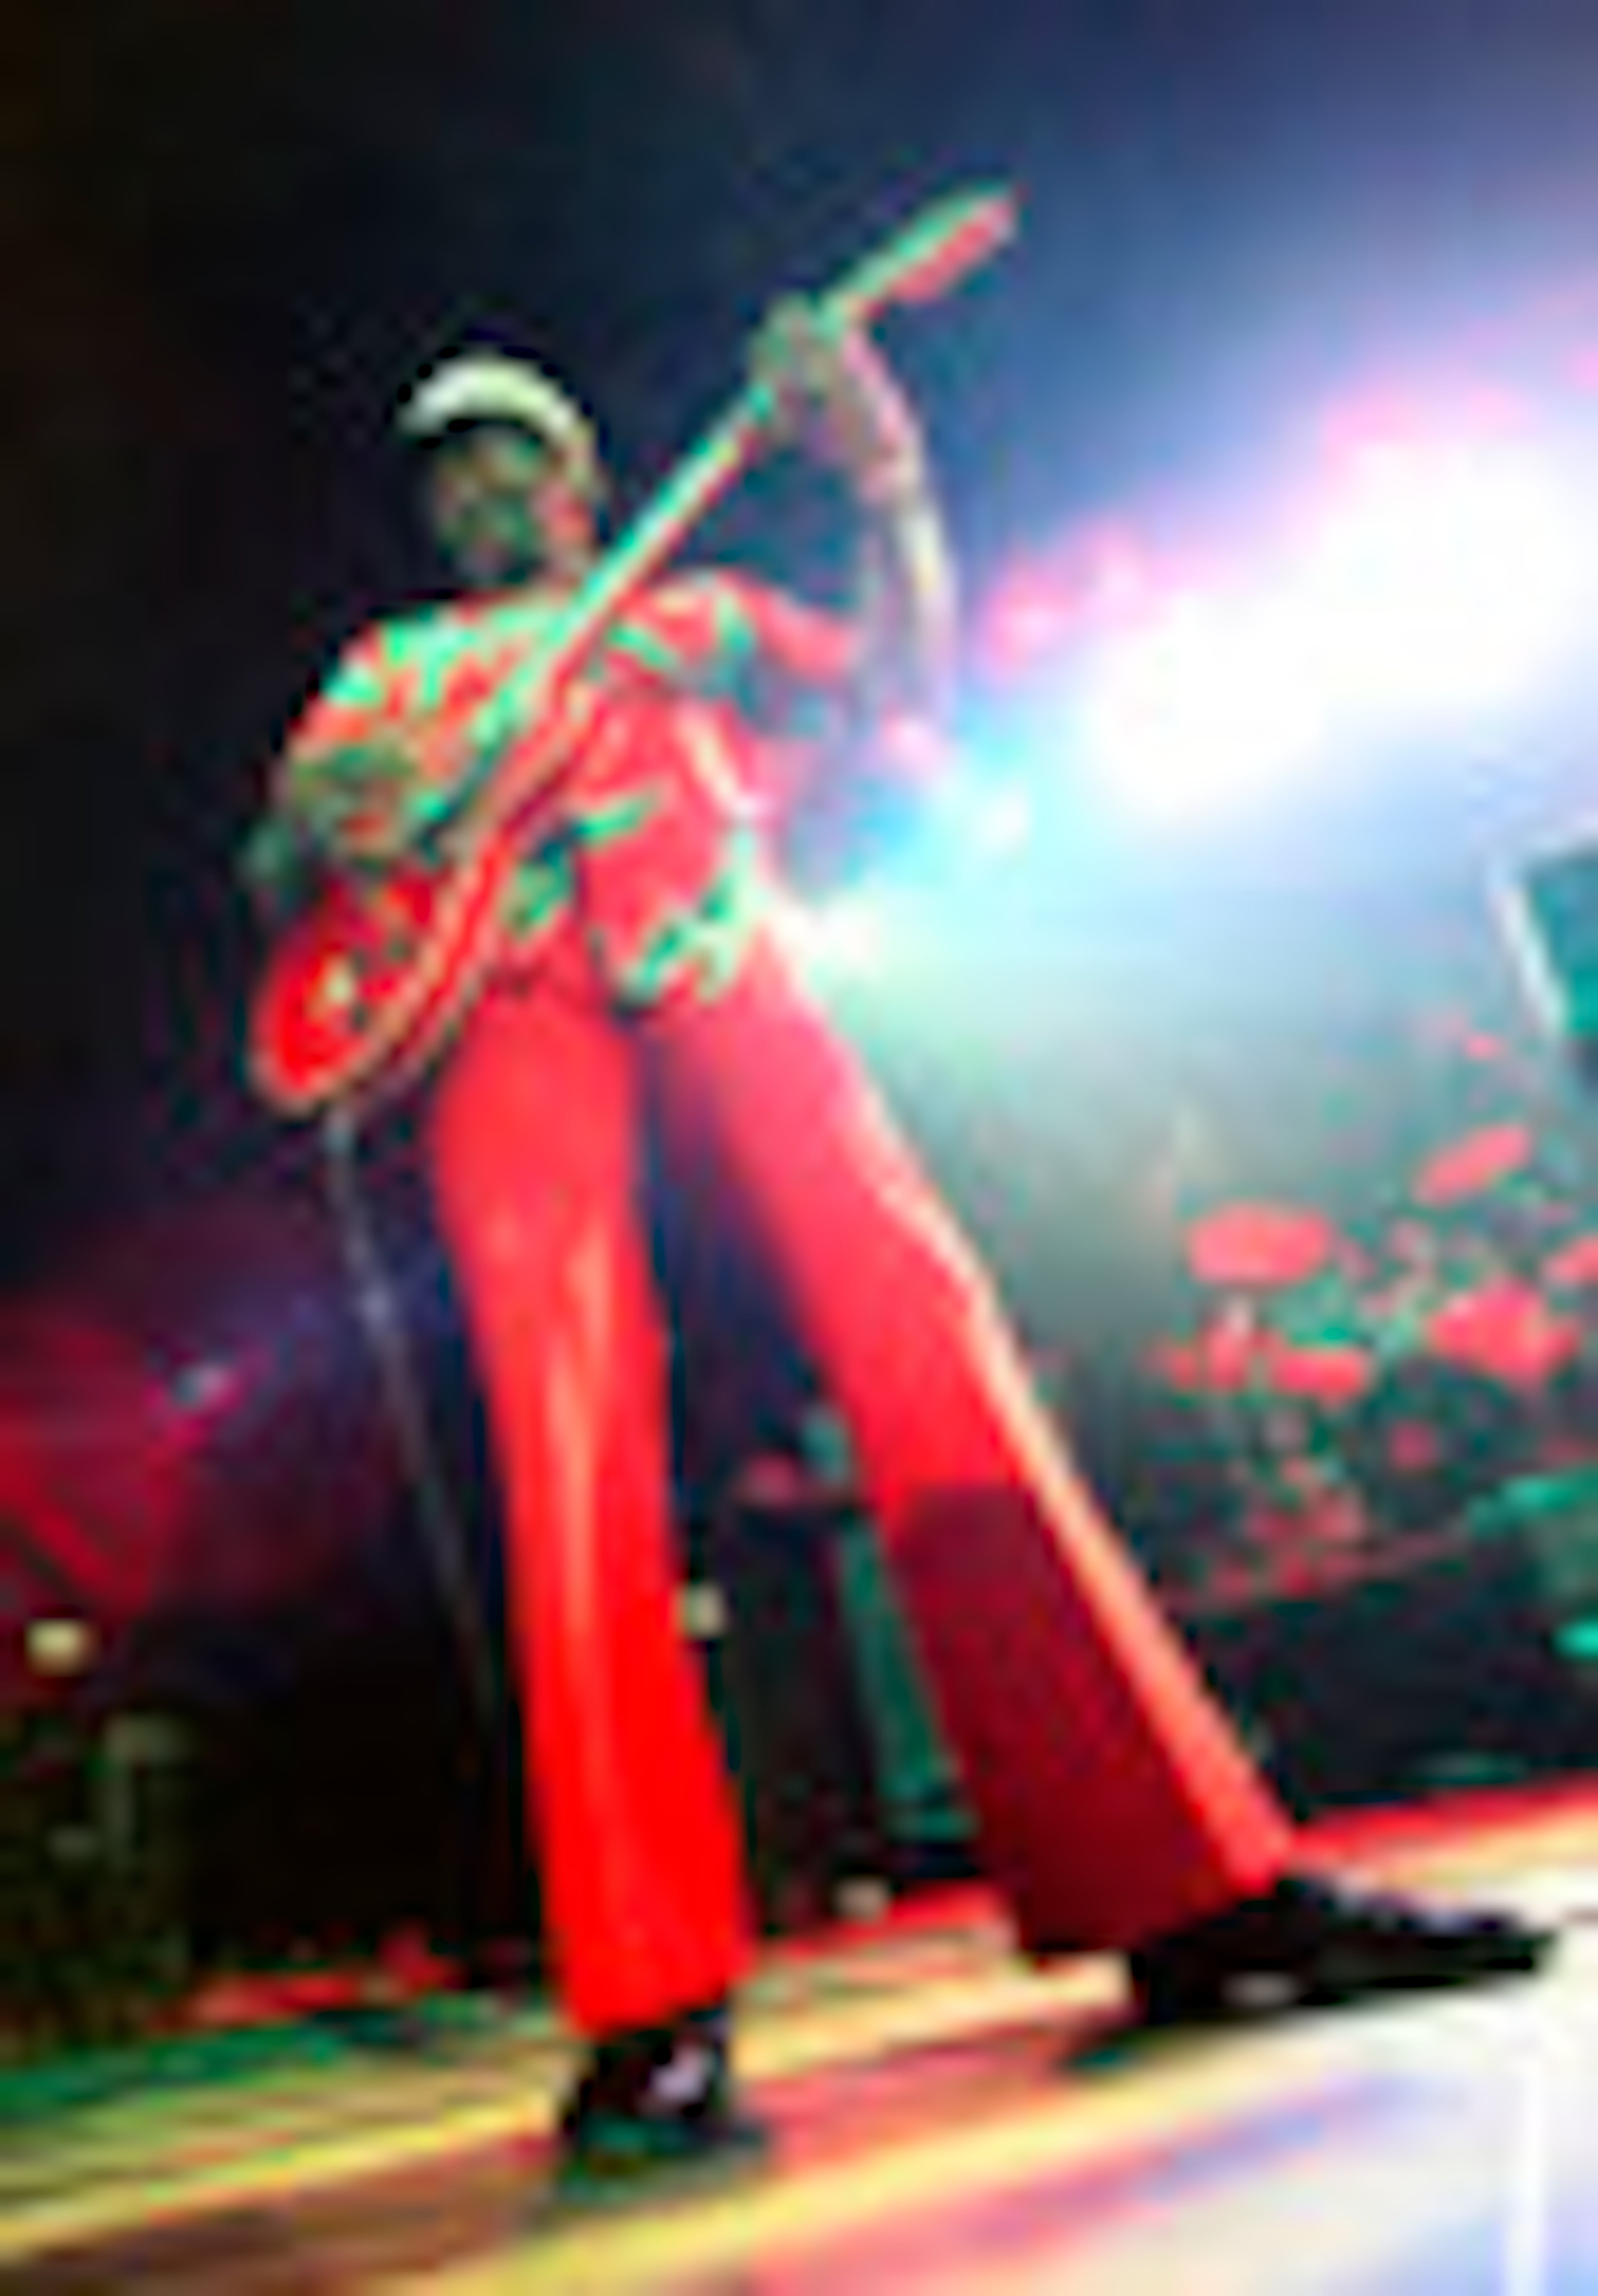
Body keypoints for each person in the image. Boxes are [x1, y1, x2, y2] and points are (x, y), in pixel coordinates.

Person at [242, 307, 1551, 2184]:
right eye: (452, 468)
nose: (486, 487)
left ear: (585, 476)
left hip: (710, 927)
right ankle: (647, 2003)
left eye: (517, 450)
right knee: (563, 1435)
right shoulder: (392, 667)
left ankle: (1188, 1887)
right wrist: (307, 829)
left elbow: (900, 691)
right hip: (504, 995)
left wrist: (889, 484)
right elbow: (289, 861)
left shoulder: (684, 617)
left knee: (931, 1343)